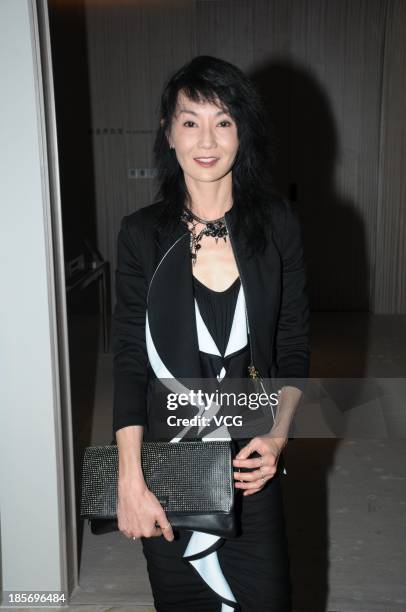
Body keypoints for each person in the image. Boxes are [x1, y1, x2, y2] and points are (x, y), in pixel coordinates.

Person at [112, 55, 311, 612]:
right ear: (168, 132)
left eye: (223, 120)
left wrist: (277, 437)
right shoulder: (141, 235)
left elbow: (293, 345)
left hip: (251, 467)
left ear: (242, 132)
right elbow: (129, 360)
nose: (207, 138)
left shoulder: (276, 224)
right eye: (190, 120)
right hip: (169, 470)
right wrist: (131, 479)